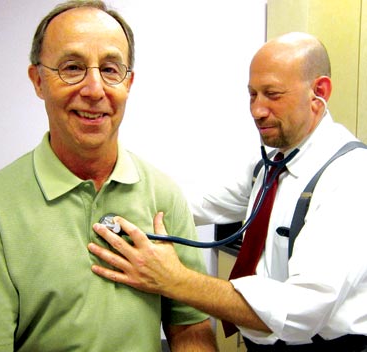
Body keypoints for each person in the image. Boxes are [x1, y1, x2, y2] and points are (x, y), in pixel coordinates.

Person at [87, 32, 367, 351]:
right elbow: (193, 203)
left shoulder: (351, 176)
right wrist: (113, 192)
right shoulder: (270, 163)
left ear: (319, 91)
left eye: (272, 94)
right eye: (252, 94)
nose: (257, 111)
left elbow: (301, 310)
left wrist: (176, 280)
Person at [0, 1, 218, 351]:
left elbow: (190, 329)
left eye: (110, 69)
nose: (94, 90)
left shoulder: (163, 196)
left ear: (129, 82)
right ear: (38, 81)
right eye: (72, 67)